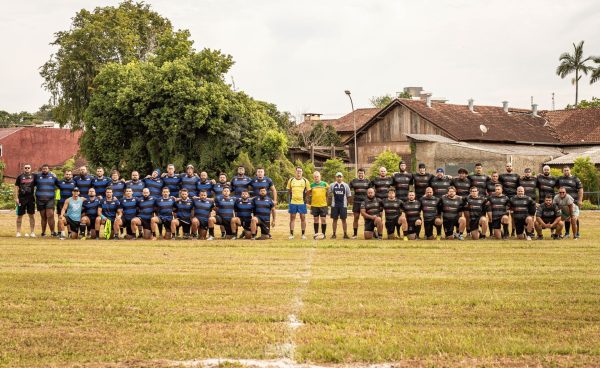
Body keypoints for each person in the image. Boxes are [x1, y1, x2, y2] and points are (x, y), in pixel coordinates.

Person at [556, 166, 583, 238]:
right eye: (565, 170)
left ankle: (577, 233)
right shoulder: (560, 179)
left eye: (567, 170)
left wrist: (580, 200)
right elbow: (553, 184)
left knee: (574, 217)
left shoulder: (575, 179)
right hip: (564, 202)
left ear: (570, 170)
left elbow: (580, 189)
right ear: (563, 171)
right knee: (566, 217)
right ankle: (567, 233)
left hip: (574, 201)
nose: (566, 172)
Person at [34, 164, 58, 237]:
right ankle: (43, 233)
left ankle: (53, 232)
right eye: (43, 169)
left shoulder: (53, 177)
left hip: (50, 199)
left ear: (48, 169)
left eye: (46, 169)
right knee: (43, 216)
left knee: (50, 215)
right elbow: (31, 184)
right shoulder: (37, 176)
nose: (45, 170)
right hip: (40, 199)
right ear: (41, 169)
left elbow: (59, 184)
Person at [286, 167, 310, 240]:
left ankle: (303, 234)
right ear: (295, 172)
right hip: (293, 202)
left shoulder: (305, 181)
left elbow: (309, 191)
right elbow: (289, 190)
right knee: (292, 218)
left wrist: (305, 197)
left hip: (302, 203)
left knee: (303, 218)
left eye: (300, 171)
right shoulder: (291, 180)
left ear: (302, 172)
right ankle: (291, 234)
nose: (299, 173)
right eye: (297, 171)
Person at [14, 163, 36, 237]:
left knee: (31, 215)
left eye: (28, 168)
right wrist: (16, 198)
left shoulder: (34, 176)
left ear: (30, 168)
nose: (27, 169)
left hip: (31, 199)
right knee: (20, 215)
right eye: (25, 168)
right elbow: (16, 187)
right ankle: (18, 232)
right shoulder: (20, 177)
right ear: (23, 168)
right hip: (21, 199)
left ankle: (32, 232)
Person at [328, 172, 352, 239]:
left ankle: (345, 234)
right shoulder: (332, 185)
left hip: (343, 205)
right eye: (338, 177)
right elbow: (329, 194)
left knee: (344, 220)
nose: (339, 178)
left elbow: (349, 195)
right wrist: (329, 203)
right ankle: (334, 234)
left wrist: (348, 203)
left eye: (340, 177)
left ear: (342, 177)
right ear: (335, 177)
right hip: (334, 205)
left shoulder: (346, 185)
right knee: (334, 220)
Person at [349, 168, 370, 239]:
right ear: (358, 173)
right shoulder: (353, 181)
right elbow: (348, 189)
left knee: (366, 218)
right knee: (356, 218)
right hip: (356, 202)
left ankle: (367, 232)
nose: (361, 174)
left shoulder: (368, 181)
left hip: (365, 203)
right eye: (359, 173)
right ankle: (355, 234)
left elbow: (371, 191)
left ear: (364, 174)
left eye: (362, 173)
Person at [500, 162, 519, 236]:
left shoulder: (517, 176)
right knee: (505, 215)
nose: (509, 167)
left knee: (513, 216)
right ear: (505, 167)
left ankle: (513, 231)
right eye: (507, 166)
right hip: (505, 199)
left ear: (512, 167)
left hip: (514, 199)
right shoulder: (501, 176)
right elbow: (493, 178)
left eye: (510, 166)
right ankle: (506, 230)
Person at [308, 171, 329, 240]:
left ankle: (323, 235)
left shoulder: (325, 184)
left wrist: (327, 201)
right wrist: (308, 203)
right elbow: (308, 194)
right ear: (313, 178)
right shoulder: (311, 185)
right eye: (315, 177)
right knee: (315, 220)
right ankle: (316, 234)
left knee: (323, 220)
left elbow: (329, 192)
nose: (316, 178)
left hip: (323, 205)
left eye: (317, 176)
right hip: (314, 205)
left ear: (320, 177)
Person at [55, 170, 76, 238]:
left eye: (69, 174)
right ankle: (59, 232)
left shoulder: (74, 183)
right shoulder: (60, 182)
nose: (68, 175)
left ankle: (69, 232)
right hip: (61, 203)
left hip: (71, 203)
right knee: (60, 217)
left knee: (69, 218)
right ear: (64, 175)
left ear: (71, 175)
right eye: (67, 174)